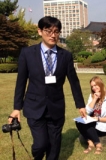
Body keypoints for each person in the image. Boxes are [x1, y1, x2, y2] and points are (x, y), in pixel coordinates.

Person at [8, 16, 86, 160]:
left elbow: (74, 82)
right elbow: (21, 82)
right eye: (48, 31)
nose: (53, 35)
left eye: (56, 31)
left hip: (56, 107)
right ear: (40, 31)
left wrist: (80, 104)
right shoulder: (27, 53)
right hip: (34, 106)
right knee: (40, 144)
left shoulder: (65, 56)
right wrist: (16, 108)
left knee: (54, 145)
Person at [75, 76, 106, 154]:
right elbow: (87, 111)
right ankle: (90, 142)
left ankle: (98, 144)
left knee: (88, 124)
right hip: (93, 121)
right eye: (92, 86)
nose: (94, 88)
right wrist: (94, 99)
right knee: (78, 122)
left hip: (104, 124)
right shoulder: (92, 96)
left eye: (95, 85)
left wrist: (98, 119)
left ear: (100, 84)